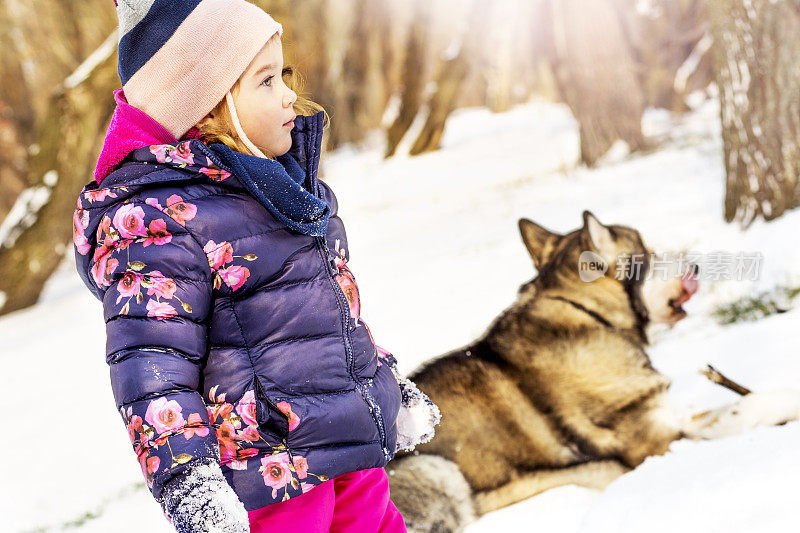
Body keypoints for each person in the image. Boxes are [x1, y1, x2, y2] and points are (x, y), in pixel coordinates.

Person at [72, 1, 439, 531]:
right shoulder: (158, 221)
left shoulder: (288, 190)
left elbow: (332, 316)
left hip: (353, 450)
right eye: (265, 81)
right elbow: (151, 367)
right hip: (272, 474)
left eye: (283, 74)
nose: (290, 94)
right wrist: (188, 480)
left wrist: (384, 382)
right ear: (207, 107)